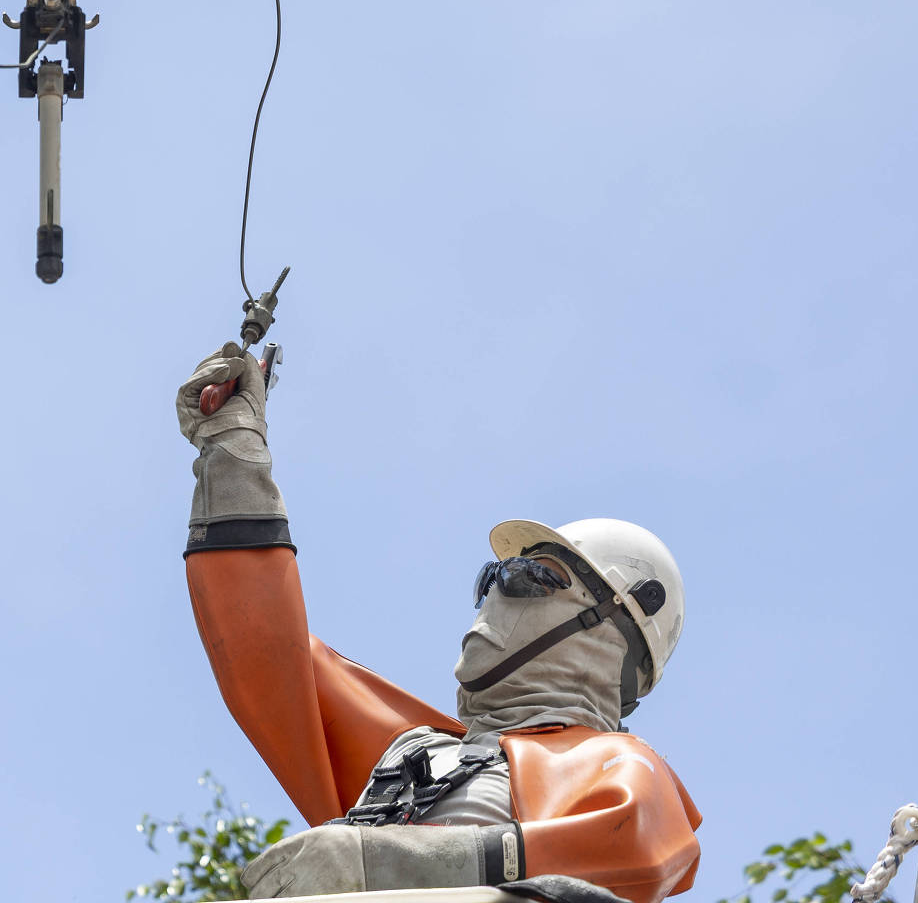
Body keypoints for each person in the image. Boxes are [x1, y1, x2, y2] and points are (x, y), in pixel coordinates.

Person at [176, 343, 702, 901]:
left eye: (531, 576)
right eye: (491, 578)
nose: (496, 597)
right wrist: (233, 452)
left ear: (609, 627)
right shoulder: (413, 757)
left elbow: (635, 850)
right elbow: (267, 656)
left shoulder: (613, 765)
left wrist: (383, 862)